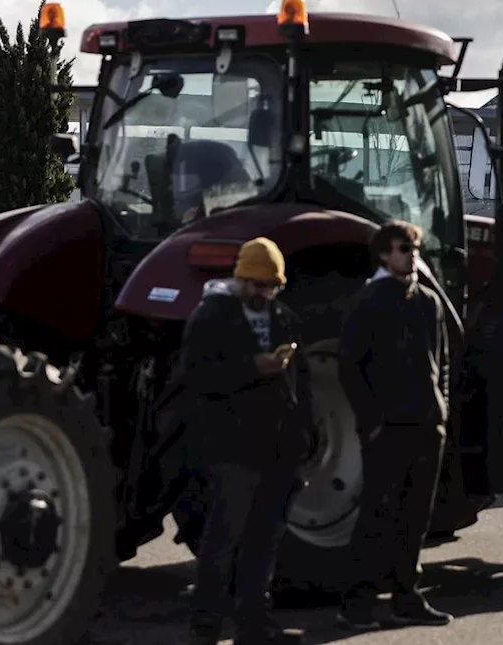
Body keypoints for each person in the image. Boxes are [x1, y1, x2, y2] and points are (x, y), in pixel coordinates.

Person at [181, 237, 312, 645]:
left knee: (264, 541)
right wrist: (252, 367)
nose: (264, 294)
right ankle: (206, 625)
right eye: (257, 285)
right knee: (223, 540)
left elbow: (300, 381)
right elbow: (198, 376)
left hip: (277, 448)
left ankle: (255, 623)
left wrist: (305, 436)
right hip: (232, 447)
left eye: (271, 286)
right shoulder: (211, 317)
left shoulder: (284, 318)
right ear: (241, 279)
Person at [336, 220, 452, 630]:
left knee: (416, 516)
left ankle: (407, 596)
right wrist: (372, 423)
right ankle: (357, 602)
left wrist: (442, 409)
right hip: (388, 428)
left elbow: (442, 363)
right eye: (405, 247)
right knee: (377, 515)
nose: (413, 254)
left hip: (427, 425)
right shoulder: (368, 301)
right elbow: (349, 366)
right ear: (385, 253)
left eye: (416, 247)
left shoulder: (427, 302)